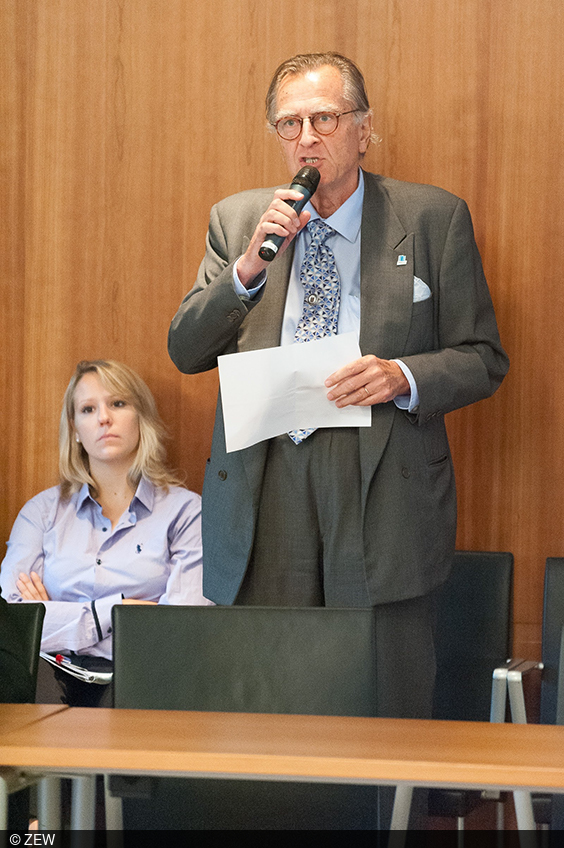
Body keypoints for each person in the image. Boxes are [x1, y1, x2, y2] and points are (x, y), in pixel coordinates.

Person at [168, 52, 509, 720]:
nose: (306, 137)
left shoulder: (433, 218)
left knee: (379, 685)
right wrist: (243, 273)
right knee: (272, 689)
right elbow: (185, 350)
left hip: (380, 472)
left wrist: (401, 375)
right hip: (268, 472)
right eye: (289, 123)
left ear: (363, 128)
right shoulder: (239, 220)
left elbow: (482, 357)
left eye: (324, 117)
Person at [0, 359, 211, 707]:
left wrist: (57, 619)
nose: (103, 418)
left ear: (140, 416)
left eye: (118, 403)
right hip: (47, 687)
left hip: (149, 688)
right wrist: (114, 612)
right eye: (87, 409)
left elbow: (179, 630)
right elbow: (14, 624)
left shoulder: (186, 512)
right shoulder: (41, 512)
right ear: (75, 428)